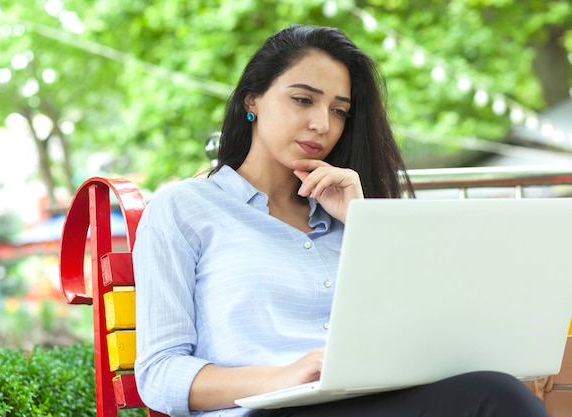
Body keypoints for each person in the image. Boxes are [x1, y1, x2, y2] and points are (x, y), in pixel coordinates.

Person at [133, 25, 549, 417]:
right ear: (252, 99)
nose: (322, 124)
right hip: (268, 408)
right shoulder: (184, 208)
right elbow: (159, 373)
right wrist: (281, 377)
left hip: (367, 401)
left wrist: (361, 220)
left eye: (339, 111)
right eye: (302, 99)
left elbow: (426, 334)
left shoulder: (347, 212)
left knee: (496, 393)